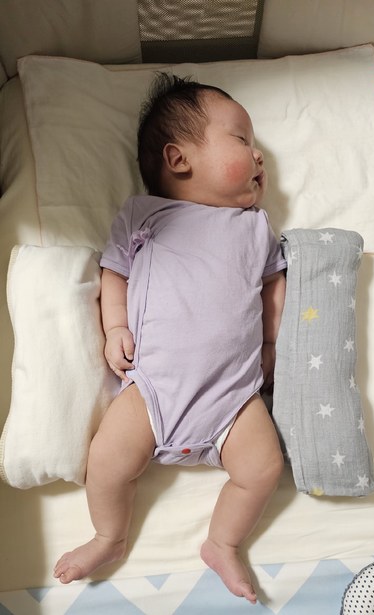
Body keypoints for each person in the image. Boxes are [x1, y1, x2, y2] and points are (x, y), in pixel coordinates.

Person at [54, 73, 287, 604]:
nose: (258, 156)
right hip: (154, 388)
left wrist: (271, 344)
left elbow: (274, 285)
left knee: (263, 468)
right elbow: (115, 270)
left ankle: (223, 543)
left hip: (233, 396)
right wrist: (116, 326)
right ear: (179, 159)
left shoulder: (255, 226)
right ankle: (108, 536)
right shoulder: (145, 213)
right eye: (242, 140)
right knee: (107, 461)